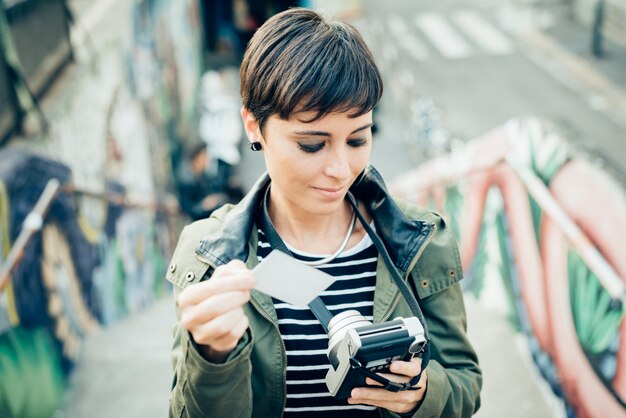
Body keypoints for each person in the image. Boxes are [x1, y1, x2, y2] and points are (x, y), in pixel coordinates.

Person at [167, 8, 481, 418]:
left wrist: (424, 394)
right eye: (312, 144)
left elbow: (466, 385)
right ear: (252, 125)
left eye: (357, 139)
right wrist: (212, 356)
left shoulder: (419, 240)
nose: (339, 169)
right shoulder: (209, 254)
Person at [176, 142, 242, 221]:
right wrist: (204, 205)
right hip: (201, 219)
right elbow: (188, 209)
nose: (207, 159)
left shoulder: (201, 173)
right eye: (204, 156)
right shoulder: (186, 181)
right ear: (196, 159)